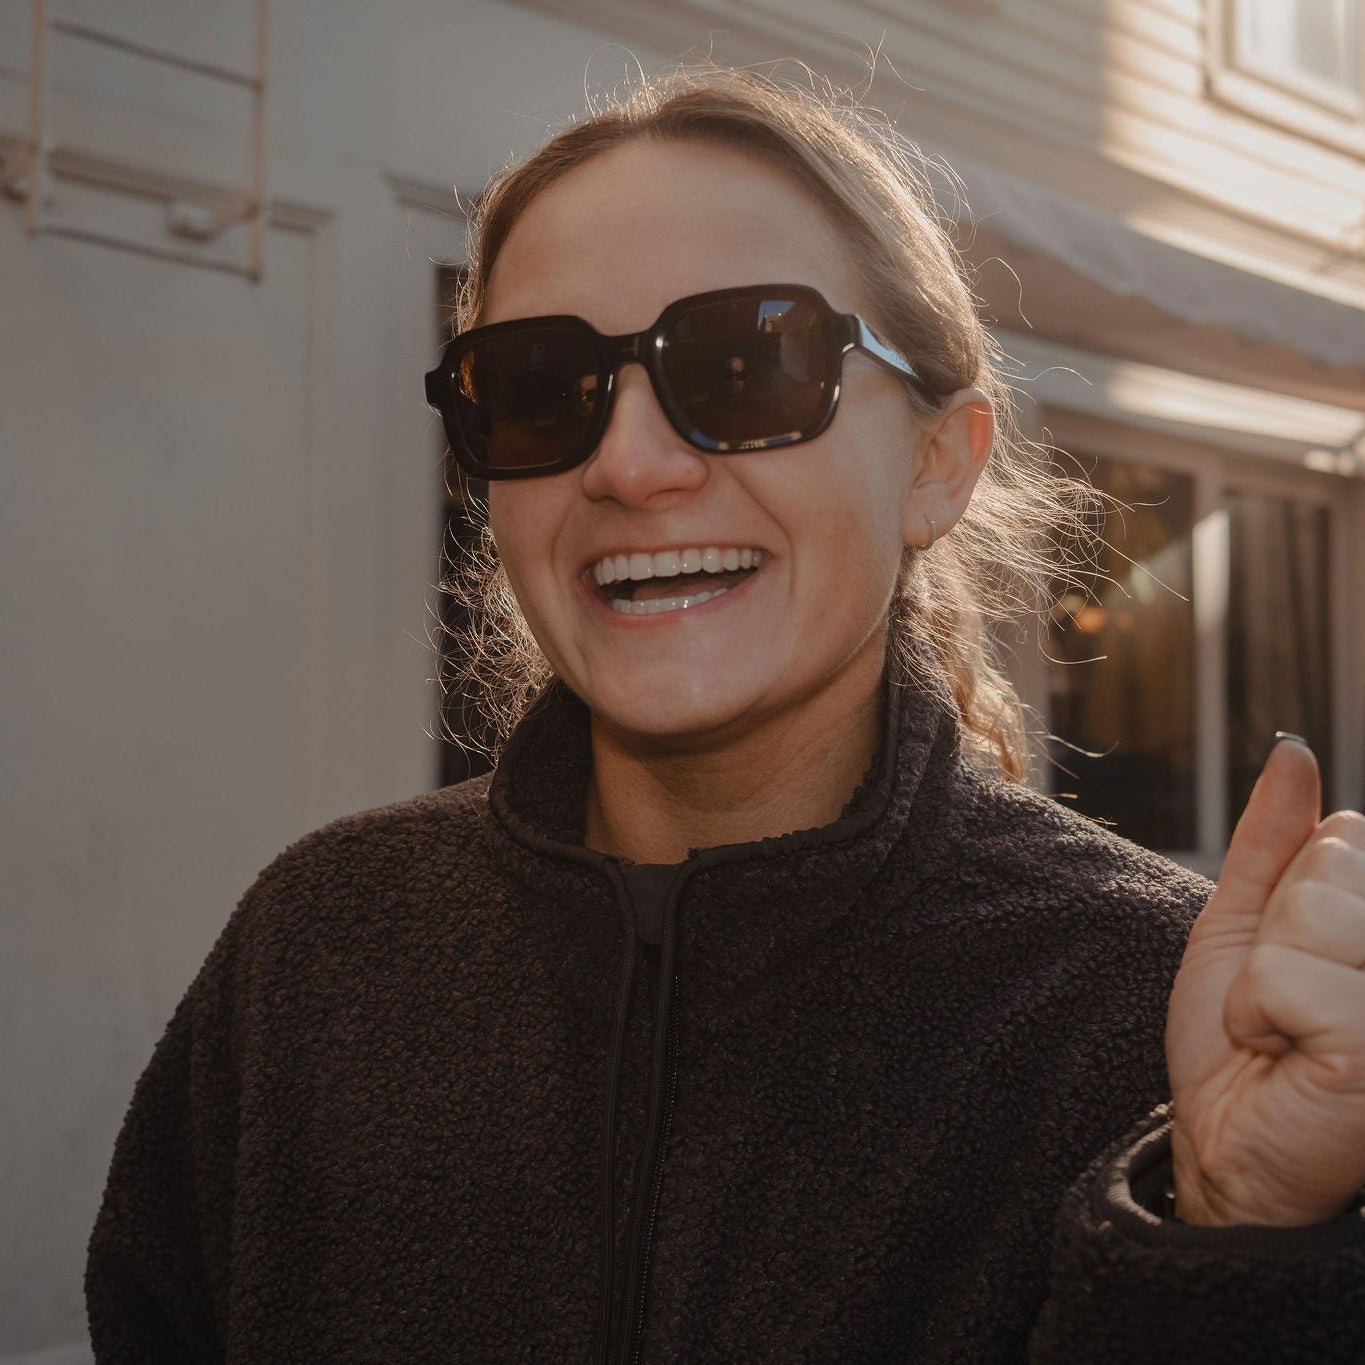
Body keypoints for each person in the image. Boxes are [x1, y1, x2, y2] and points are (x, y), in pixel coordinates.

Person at [86, 67, 1365, 1362]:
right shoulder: (318, 948)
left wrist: (1232, 1231)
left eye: (748, 362)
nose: (630, 465)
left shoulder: (1145, 1013)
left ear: (938, 463)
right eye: (537, 384)